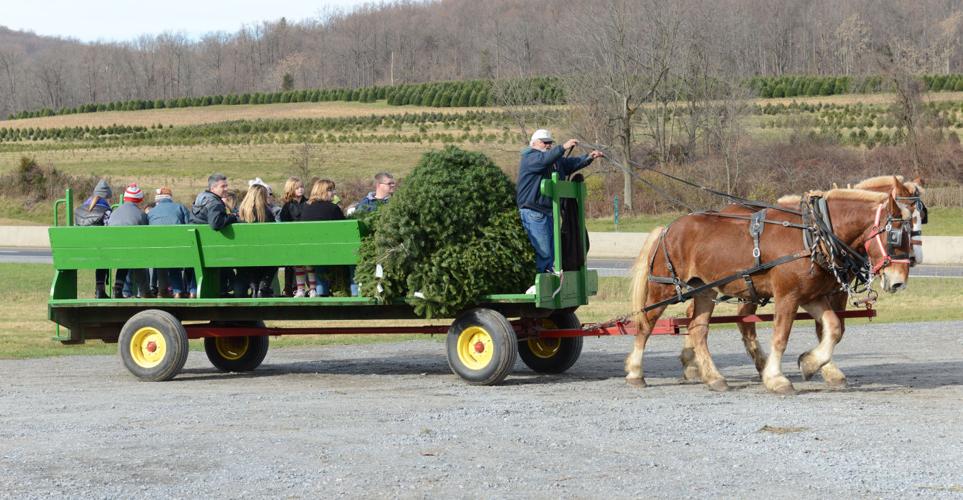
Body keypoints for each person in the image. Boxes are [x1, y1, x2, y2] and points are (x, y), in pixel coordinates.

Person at [516, 129, 604, 275]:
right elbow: (544, 160)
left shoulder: (553, 161)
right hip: (533, 211)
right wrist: (563, 147)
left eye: (550, 143)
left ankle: (551, 279)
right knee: (544, 251)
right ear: (534, 143)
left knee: (551, 250)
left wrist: (589, 157)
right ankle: (545, 281)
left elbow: (570, 164)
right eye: (545, 142)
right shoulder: (530, 158)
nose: (548, 145)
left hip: (548, 212)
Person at [299, 179, 346, 297]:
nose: (334, 192)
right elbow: (344, 231)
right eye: (330, 190)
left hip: (310, 251)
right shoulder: (333, 208)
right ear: (322, 192)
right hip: (332, 251)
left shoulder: (305, 208)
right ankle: (352, 290)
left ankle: (321, 291)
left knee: (319, 256)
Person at [107, 184, 152, 298]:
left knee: (126, 255)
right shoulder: (140, 214)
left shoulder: (114, 212)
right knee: (136, 258)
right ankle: (145, 291)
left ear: (125, 198)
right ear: (139, 199)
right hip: (132, 252)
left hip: (113, 250)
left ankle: (119, 287)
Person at [233, 184, 277, 298]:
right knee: (274, 257)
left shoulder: (240, 213)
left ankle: (254, 286)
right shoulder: (266, 213)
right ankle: (263, 287)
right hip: (265, 256)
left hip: (244, 256)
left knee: (250, 258)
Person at [148, 187, 191, 298]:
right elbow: (189, 227)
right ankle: (179, 291)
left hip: (158, 250)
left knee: (163, 257)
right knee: (175, 258)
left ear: (157, 200)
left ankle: (167, 291)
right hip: (178, 248)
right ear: (170, 198)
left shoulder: (151, 212)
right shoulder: (180, 207)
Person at [75, 180, 113, 298]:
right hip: (99, 250)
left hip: (79, 250)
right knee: (105, 252)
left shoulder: (79, 210)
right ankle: (100, 290)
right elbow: (109, 232)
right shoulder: (106, 210)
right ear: (106, 196)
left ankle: (99, 290)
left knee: (101, 251)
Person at [279, 177, 307, 296]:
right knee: (291, 266)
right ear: (291, 189)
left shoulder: (308, 203)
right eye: (297, 188)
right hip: (292, 239)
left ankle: (311, 288)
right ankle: (290, 288)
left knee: (308, 265)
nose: (300, 190)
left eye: (302, 187)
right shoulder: (287, 206)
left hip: (305, 238)